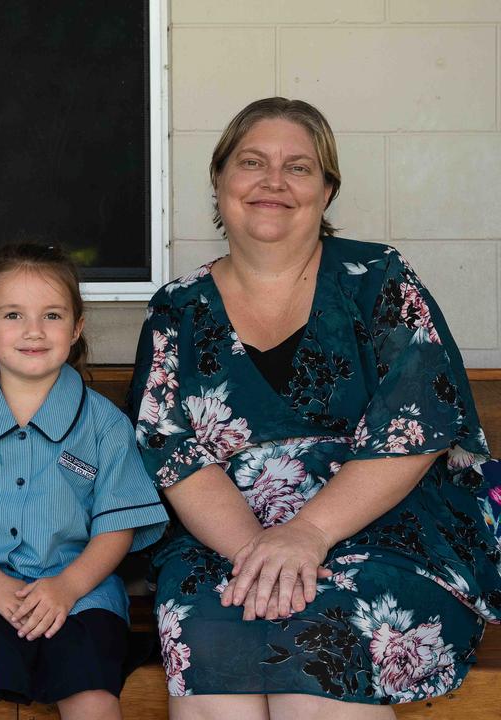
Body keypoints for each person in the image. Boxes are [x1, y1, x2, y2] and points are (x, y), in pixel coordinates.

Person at [130, 97, 501, 719]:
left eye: (298, 167)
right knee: (209, 635)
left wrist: (305, 536)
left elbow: (418, 426)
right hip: (225, 538)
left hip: (385, 530)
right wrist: (258, 552)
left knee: (320, 647)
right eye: (252, 162)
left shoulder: (376, 276)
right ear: (219, 178)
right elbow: (170, 451)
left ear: (327, 190)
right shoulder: (177, 306)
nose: (273, 182)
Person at [0, 243, 168, 720]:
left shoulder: (103, 424)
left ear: (77, 326)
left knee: (93, 694)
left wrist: (66, 587)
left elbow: (117, 528)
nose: (34, 332)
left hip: (82, 592)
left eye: (53, 315)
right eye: (13, 315)